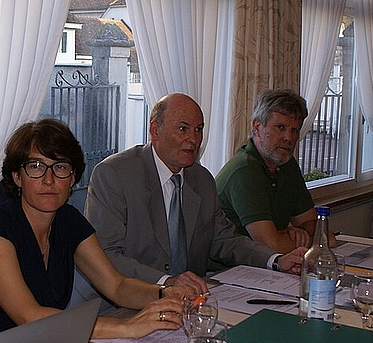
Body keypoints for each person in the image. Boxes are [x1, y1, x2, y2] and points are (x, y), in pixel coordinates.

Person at [0, 118, 191, 343]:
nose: (49, 180)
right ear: (17, 177)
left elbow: (117, 286)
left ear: (72, 177)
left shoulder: (68, 221)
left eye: (60, 167)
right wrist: (127, 327)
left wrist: (166, 294)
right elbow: (28, 316)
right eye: (36, 166)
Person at [79, 93, 306, 296]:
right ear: (155, 130)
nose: (194, 139)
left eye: (199, 129)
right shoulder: (114, 175)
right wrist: (166, 283)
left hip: (192, 302)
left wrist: (276, 261)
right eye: (183, 128)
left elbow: (225, 240)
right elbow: (105, 256)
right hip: (128, 302)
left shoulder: (202, 180)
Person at [215, 89, 335, 253]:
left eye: (295, 130)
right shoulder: (245, 170)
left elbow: (320, 230)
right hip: (227, 270)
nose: (289, 138)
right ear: (257, 127)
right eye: (280, 127)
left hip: (269, 267)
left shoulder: (286, 163)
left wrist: (294, 234)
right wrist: (288, 235)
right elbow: (272, 246)